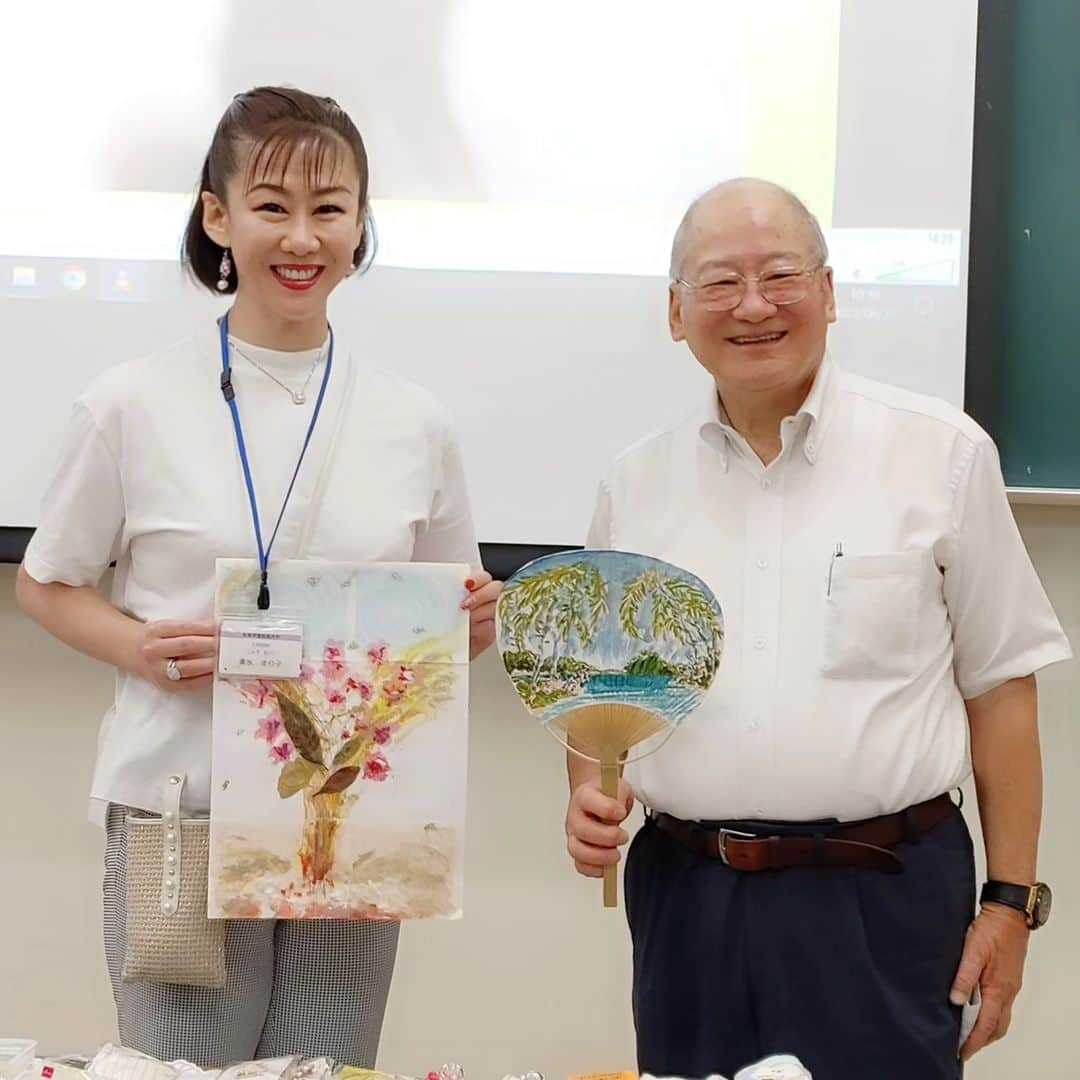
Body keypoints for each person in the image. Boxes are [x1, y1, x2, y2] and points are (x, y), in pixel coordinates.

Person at [15, 86, 501, 1067]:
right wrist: (140, 650)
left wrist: (471, 621)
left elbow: (451, 612)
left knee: (329, 1065)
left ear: (361, 226)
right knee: (185, 1072)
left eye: (330, 209)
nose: (301, 237)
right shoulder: (129, 403)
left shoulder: (416, 420)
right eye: (273, 205)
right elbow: (46, 582)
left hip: (356, 813)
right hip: (181, 804)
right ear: (217, 217)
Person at [564, 178, 1070, 1079]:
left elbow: (1002, 688)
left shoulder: (942, 455)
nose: (753, 305)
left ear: (830, 295)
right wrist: (587, 794)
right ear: (676, 313)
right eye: (719, 283)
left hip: (882, 902)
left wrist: (1008, 902)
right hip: (688, 897)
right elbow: (605, 699)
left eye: (780, 275)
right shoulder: (634, 485)